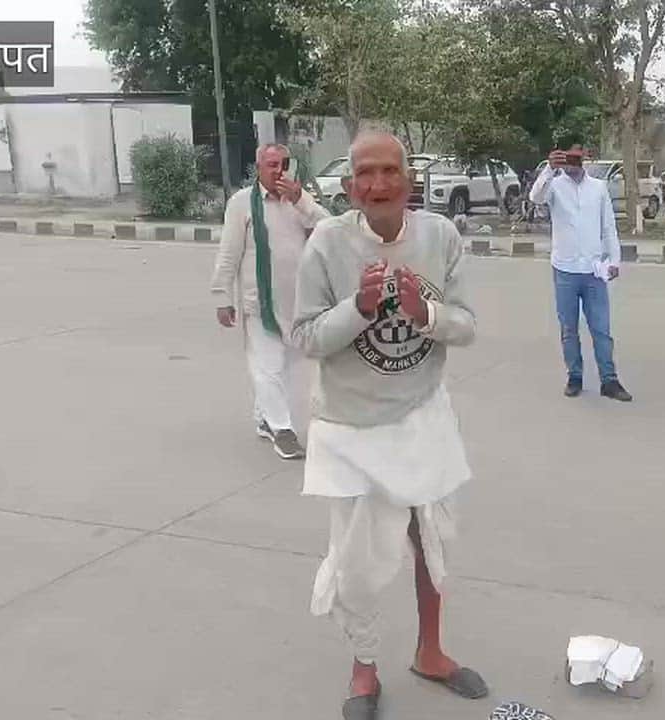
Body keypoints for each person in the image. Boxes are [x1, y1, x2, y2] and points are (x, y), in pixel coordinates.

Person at [291, 131, 486, 720]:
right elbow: (304, 337)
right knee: (359, 564)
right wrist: (360, 309)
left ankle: (431, 651)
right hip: (351, 428)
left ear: (410, 180)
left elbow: (467, 325)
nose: (378, 185)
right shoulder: (327, 243)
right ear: (350, 186)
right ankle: (364, 667)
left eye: (389, 172)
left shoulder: (440, 237)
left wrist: (424, 313)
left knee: (431, 544)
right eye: (365, 174)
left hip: (424, 414)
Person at [211, 143, 330, 460]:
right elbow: (229, 253)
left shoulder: (298, 202)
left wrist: (301, 199)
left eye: (283, 164)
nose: (278, 171)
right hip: (259, 302)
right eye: (272, 165)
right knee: (267, 367)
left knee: (288, 368)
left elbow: (331, 230)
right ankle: (283, 430)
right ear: (259, 167)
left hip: (298, 302)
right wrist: (223, 296)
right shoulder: (241, 204)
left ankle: (265, 418)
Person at [528, 144, 633, 401]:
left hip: (594, 270)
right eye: (568, 157)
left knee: (601, 329)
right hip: (565, 269)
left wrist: (615, 260)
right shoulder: (554, 186)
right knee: (569, 329)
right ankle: (574, 376)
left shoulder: (598, 187)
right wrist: (549, 169)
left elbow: (608, 226)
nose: (573, 162)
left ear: (584, 157)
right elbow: (535, 198)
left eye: (577, 156)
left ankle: (609, 380)